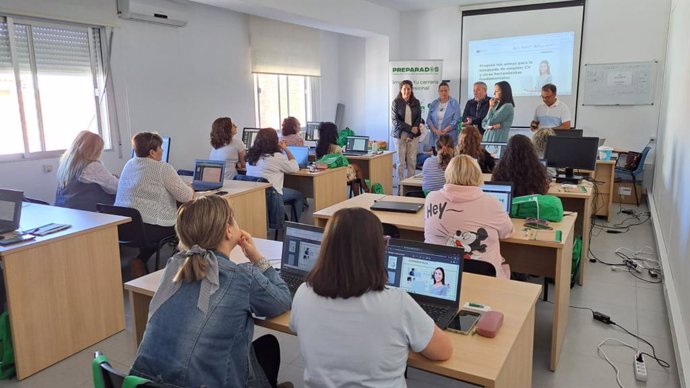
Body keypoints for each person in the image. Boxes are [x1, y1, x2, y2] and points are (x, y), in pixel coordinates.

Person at [129, 195, 292, 388]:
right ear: (228, 231)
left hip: (144, 383)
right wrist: (257, 258)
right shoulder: (242, 276)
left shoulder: (174, 265)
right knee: (267, 347)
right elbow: (282, 300)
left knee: (251, 347)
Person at [290, 207, 453, 387]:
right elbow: (443, 351)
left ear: (325, 246)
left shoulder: (303, 293)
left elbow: (298, 328)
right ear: (377, 250)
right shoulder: (398, 303)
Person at [115, 132, 194, 277]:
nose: (162, 151)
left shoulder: (129, 164)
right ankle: (186, 269)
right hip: (150, 229)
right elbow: (186, 196)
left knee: (150, 225)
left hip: (126, 227)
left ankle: (140, 260)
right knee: (185, 226)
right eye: (160, 148)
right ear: (152, 152)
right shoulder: (163, 168)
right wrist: (190, 188)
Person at [424, 155, 513, 279]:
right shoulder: (492, 203)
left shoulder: (431, 198)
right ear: (477, 174)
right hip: (484, 278)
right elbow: (507, 232)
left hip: (439, 274)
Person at [246, 128, 305, 221]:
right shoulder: (276, 157)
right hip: (272, 195)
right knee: (299, 196)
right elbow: (295, 167)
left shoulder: (251, 156)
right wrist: (285, 148)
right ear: (274, 141)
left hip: (255, 193)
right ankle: (293, 227)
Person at [55, 130, 118, 212]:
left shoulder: (66, 164)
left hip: (65, 211)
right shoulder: (92, 166)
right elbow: (116, 188)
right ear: (94, 150)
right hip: (88, 214)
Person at [315, 122, 366, 192]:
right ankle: (365, 190)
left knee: (355, 167)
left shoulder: (318, 148)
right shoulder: (336, 148)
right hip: (338, 174)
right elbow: (343, 163)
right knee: (356, 169)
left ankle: (364, 190)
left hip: (325, 174)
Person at [391, 80, 422, 185]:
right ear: (401, 89)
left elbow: (418, 119)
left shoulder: (416, 102)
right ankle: (400, 185)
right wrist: (410, 129)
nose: (407, 91)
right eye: (404, 88)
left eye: (409, 89)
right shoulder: (396, 102)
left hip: (413, 135)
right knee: (400, 162)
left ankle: (410, 185)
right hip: (399, 135)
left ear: (411, 90)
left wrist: (412, 134)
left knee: (412, 161)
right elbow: (395, 121)